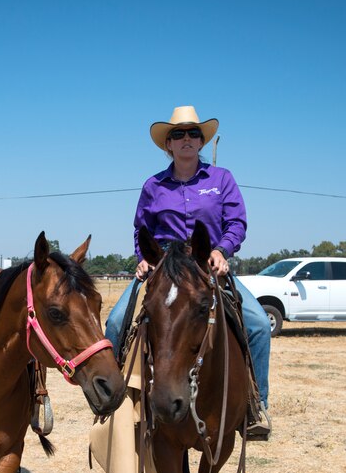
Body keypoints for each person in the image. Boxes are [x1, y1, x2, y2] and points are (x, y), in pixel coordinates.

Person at [105, 105, 272, 439]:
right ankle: (116, 407)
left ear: (200, 141)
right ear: (168, 144)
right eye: (178, 134)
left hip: (206, 264)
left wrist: (221, 250)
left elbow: (236, 223)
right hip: (163, 268)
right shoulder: (153, 186)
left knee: (257, 325)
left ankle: (255, 405)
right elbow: (142, 230)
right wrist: (143, 258)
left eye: (193, 133)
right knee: (114, 322)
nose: (186, 139)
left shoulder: (222, 179)